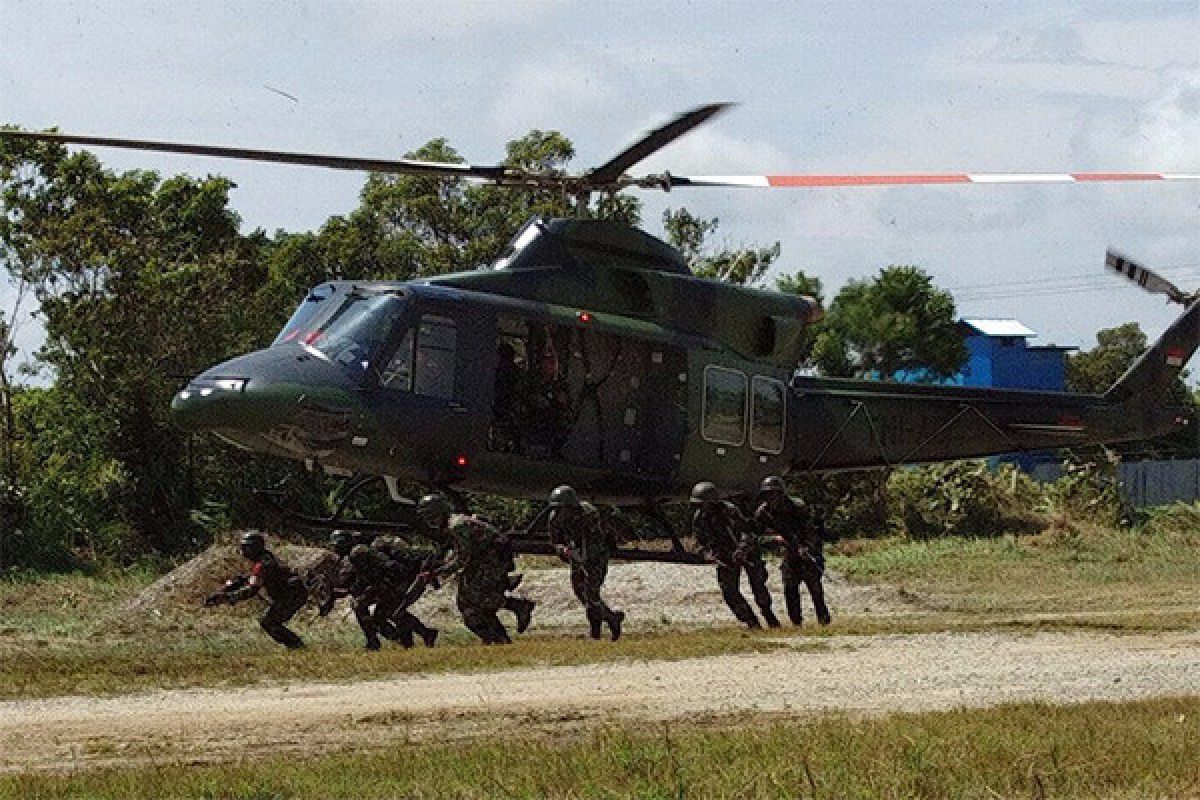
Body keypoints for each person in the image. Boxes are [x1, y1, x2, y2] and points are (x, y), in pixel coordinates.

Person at [418, 493, 534, 644]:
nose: (430, 522)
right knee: (468, 605)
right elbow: (461, 554)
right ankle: (498, 639)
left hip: (491, 561)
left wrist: (440, 572)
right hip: (485, 560)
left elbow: (463, 558)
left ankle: (517, 606)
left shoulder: (457, 526)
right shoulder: (455, 523)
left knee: (473, 598)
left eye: (431, 517)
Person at [690, 481, 779, 629]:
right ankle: (751, 621)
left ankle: (768, 614)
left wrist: (742, 549)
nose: (702, 507)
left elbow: (745, 531)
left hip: (747, 551)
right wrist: (709, 553)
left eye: (704, 504)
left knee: (758, 585)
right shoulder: (699, 518)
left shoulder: (729, 510)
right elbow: (700, 541)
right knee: (729, 591)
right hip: (725, 555)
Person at [546, 485, 625, 641]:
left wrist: (581, 558)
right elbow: (555, 542)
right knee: (580, 591)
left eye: (563, 508)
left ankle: (595, 634)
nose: (560, 512)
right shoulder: (554, 519)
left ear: (571, 506)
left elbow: (594, 542)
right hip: (576, 555)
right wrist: (563, 550)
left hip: (596, 556)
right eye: (557, 508)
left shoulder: (588, 515)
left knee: (591, 593)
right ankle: (611, 618)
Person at [205, 530, 307, 649]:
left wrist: (227, 597)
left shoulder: (263, 563)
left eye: (247, 548)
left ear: (256, 548)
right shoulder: (265, 558)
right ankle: (296, 645)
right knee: (270, 622)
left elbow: (252, 590)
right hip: (292, 593)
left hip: (292, 594)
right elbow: (250, 578)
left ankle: (297, 645)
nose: (244, 552)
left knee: (269, 623)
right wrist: (229, 588)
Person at [754, 476, 831, 626]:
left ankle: (823, 619)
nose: (772, 498)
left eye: (774, 494)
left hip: (806, 549)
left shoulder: (797, 507)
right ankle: (796, 622)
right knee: (790, 587)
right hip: (788, 552)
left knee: (814, 586)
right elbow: (755, 536)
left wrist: (807, 547)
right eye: (768, 495)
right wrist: (775, 540)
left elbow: (811, 530)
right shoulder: (763, 513)